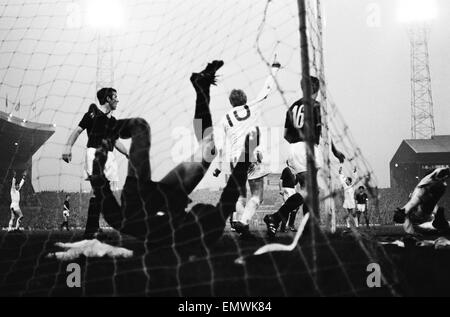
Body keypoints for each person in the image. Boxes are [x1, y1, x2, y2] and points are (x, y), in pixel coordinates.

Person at [89, 61, 260, 254]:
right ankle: (201, 87)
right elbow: (232, 190)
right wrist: (248, 152)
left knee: (141, 127)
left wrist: (98, 175)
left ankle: (105, 128)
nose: (205, 206)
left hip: (139, 201)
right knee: (208, 148)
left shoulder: (154, 228)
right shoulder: (203, 227)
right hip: (167, 199)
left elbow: (115, 218)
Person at [213, 58, 281, 237]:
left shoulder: (224, 119)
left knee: (238, 195)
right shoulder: (253, 105)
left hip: (236, 158)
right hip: (252, 154)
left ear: (231, 103)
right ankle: (243, 222)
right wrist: (274, 69)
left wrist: (219, 167)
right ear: (244, 99)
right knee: (257, 195)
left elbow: (219, 145)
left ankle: (238, 221)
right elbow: (267, 89)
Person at [62, 88, 129, 238]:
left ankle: (92, 228)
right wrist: (68, 147)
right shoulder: (92, 114)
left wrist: (128, 153)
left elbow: (116, 141)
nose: (117, 100)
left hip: (109, 156)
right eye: (115, 97)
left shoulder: (113, 121)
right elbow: (77, 131)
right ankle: (92, 229)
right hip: (95, 153)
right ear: (107, 99)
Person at [263, 76, 325, 238]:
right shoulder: (315, 105)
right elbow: (317, 131)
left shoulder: (292, 107)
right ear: (316, 90)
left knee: (307, 190)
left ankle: (306, 228)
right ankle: (276, 217)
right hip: (308, 148)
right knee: (310, 191)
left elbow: (286, 135)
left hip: (293, 148)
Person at [393, 167, 450, 235]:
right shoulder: (421, 192)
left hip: (424, 219)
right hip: (417, 222)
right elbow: (410, 206)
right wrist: (412, 232)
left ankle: (439, 222)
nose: (445, 183)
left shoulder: (431, 193)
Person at [279, 162, 301, 232]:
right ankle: (283, 227)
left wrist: (297, 176)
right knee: (288, 208)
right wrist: (281, 189)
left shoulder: (295, 171)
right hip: (287, 190)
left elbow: (294, 183)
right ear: (289, 162)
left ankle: (290, 225)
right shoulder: (286, 169)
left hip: (292, 190)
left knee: (295, 207)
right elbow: (280, 180)